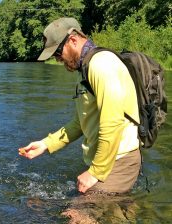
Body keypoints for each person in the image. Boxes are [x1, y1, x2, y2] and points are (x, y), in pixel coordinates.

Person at [18, 17, 141, 195]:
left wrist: (95, 172)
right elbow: (80, 122)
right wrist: (46, 144)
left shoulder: (102, 65)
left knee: (76, 217)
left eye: (57, 53)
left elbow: (112, 122)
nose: (58, 59)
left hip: (118, 161)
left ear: (73, 40)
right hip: (106, 161)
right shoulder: (84, 69)